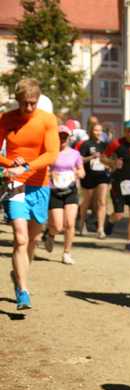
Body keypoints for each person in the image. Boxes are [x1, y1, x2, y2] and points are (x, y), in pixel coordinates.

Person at [0, 78, 60, 310]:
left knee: (33, 239)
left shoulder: (47, 119)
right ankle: (23, 291)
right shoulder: (6, 119)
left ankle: (18, 275)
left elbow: (52, 153)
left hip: (39, 184)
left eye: (33, 103)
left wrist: (25, 166)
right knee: (20, 238)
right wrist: (8, 163)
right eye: (24, 103)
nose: (28, 108)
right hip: (15, 184)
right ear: (17, 101)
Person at [42, 125, 85, 264]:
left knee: (70, 223)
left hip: (71, 191)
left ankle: (66, 253)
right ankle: (50, 234)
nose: (62, 139)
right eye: (60, 136)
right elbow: (42, 171)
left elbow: (82, 172)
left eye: (65, 137)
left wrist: (77, 173)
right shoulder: (50, 153)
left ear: (69, 138)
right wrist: (50, 173)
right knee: (58, 226)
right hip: (55, 191)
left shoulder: (75, 154)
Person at [102, 120, 130, 252]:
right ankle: (110, 220)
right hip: (118, 183)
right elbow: (102, 158)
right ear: (125, 131)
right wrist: (113, 162)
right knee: (119, 215)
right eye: (129, 130)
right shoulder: (116, 144)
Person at [76, 123, 110, 238]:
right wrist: (91, 157)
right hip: (89, 176)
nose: (98, 133)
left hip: (102, 176)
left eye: (100, 130)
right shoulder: (86, 144)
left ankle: (100, 229)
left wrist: (108, 163)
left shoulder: (105, 145)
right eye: (95, 130)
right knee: (86, 201)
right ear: (91, 131)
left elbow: (110, 160)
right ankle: (81, 224)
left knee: (102, 201)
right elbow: (80, 160)